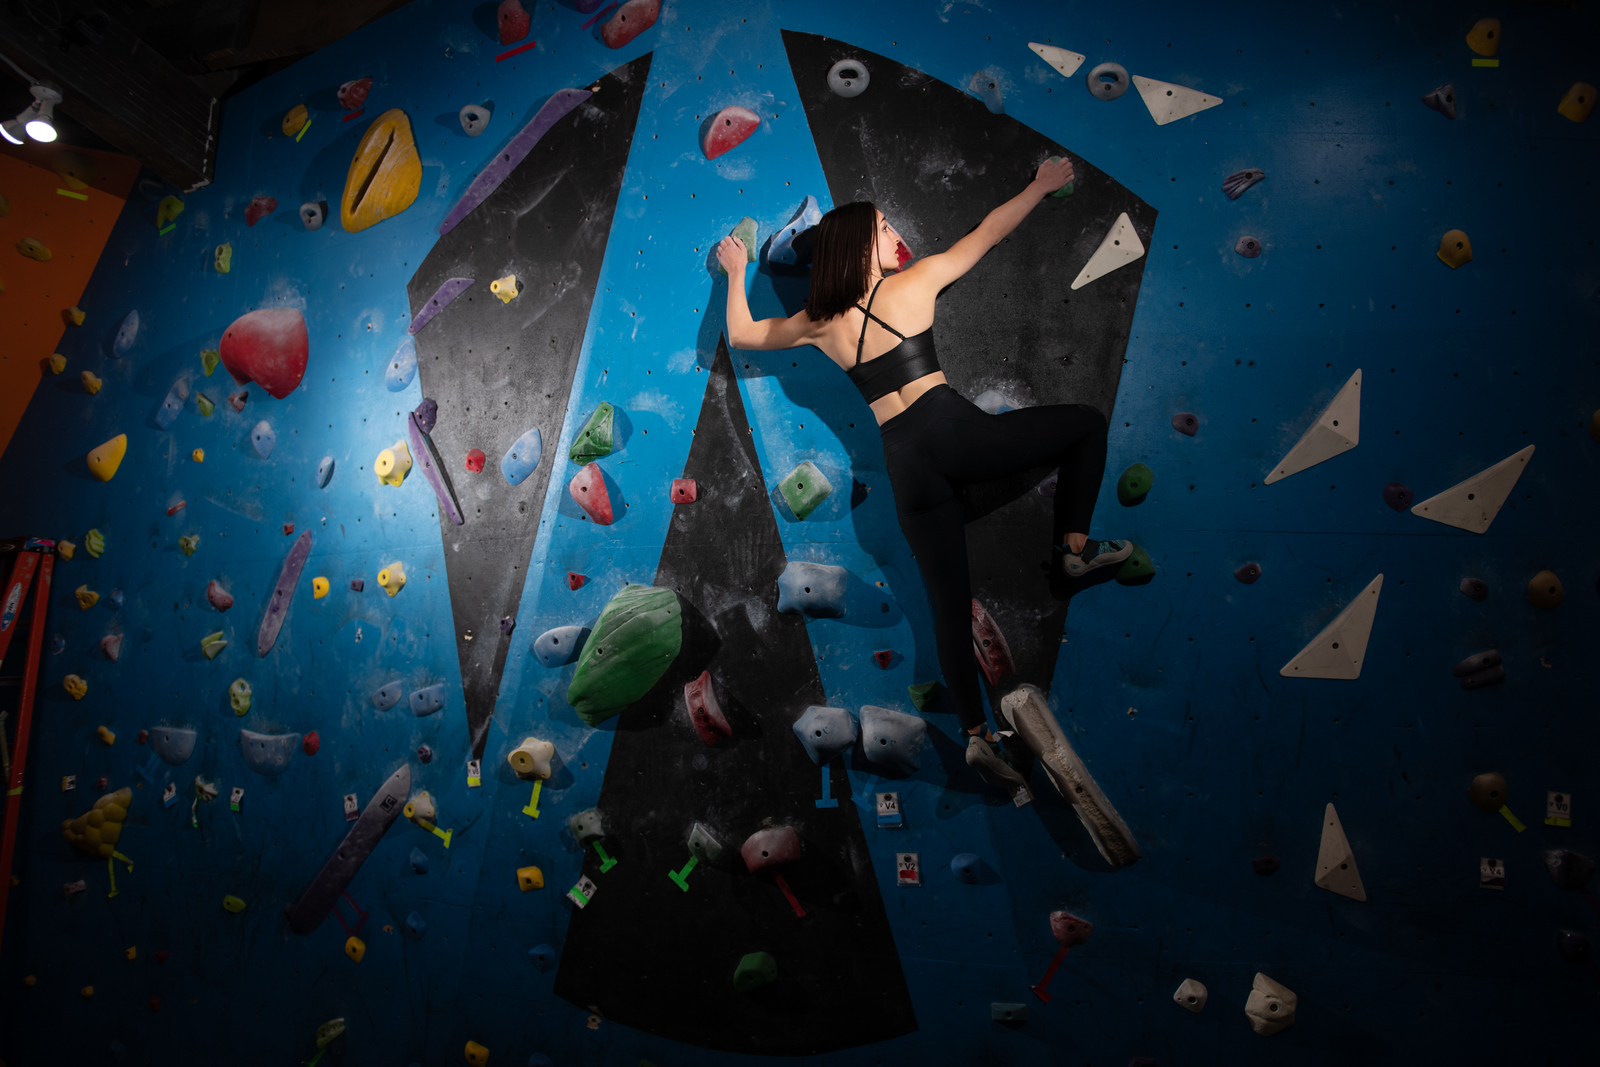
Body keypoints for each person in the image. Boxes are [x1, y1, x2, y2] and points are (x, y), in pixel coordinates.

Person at [715, 157, 1133, 785]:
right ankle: (1074, 549)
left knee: (946, 606)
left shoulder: (819, 323)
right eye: (883, 227)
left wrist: (736, 269)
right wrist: (1040, 184)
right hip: (955, 434)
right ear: (861, 244)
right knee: (1087, 425)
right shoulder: (916, 283)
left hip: (905, 464)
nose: (893, 235)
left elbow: (742, 335)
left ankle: (976, 735)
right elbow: (990, 232)